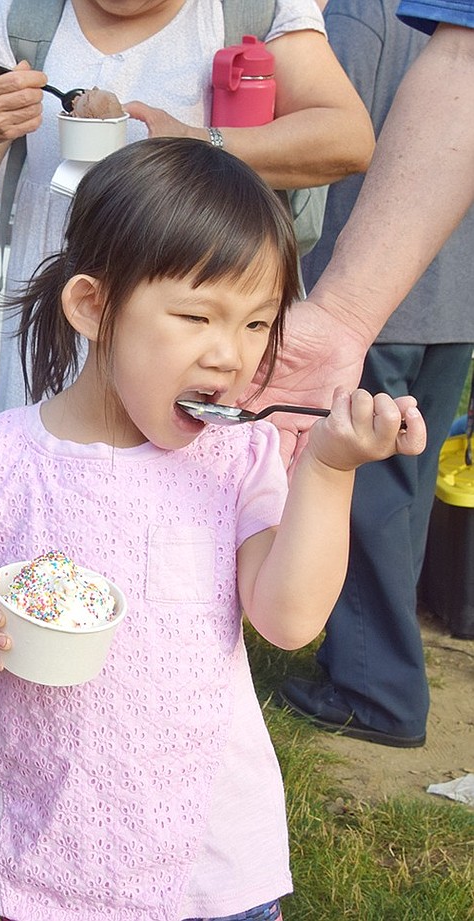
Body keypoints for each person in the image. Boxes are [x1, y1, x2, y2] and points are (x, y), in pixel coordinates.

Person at [0, 138, 425, 921]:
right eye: (196, 316)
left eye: (257, 324)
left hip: (216, 867)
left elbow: (287, 620)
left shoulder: (239, 455)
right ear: (92, 305)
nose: (231, 355)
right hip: (51, 860)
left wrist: (326, 468)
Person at [0, 0, 375, 412]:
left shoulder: (256, 8)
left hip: (207, 348)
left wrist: (201, 142)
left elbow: (348, 139)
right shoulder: (19, 13)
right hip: (57, 341)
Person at [277, 0, 474, 749]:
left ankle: (375, 687)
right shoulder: (434, 21)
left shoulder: (353, 19)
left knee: (364, 497)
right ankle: (374, 662)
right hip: (451, 302)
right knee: (404, 495)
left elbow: (327, 147)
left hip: (381, 301)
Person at [264, 4, 474, 463]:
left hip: (404, 322)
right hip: (424, 309)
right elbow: (464, 60)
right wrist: (344, 315)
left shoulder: (354, 14)